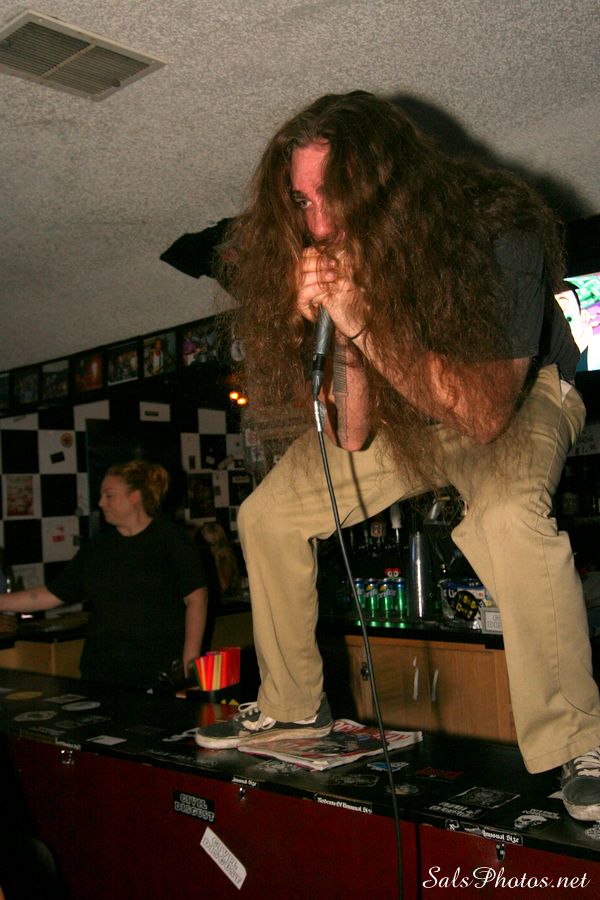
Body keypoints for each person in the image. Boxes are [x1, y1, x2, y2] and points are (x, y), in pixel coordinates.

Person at [194, 90, 600, 822]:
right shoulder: (346, 255)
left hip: (516, 394)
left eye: (333, 195)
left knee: (506, 516)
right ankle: (293, 708)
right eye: (304, 201)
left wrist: (362, 317)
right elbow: (352, 436)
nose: (319, 224)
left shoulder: (498, 228)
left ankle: (581, 742)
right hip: (411, 412)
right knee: (268, 516)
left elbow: (481, 415)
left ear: (387, 176)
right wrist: (343, 325)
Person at [0, 460, 208, 689]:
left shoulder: (170, 539)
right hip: (101, 671)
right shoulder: (98, 548)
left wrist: (189, 666)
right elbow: (51, 594)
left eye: (109, 496)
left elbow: (196, 599)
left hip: (157, 671)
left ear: (135, 497)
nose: (101, 503)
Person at [199, 522, 242, 602]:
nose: (208, 548)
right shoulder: (208, 555)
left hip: (227, 601)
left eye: (211, 544)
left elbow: (224, 585)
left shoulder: (222, 556)